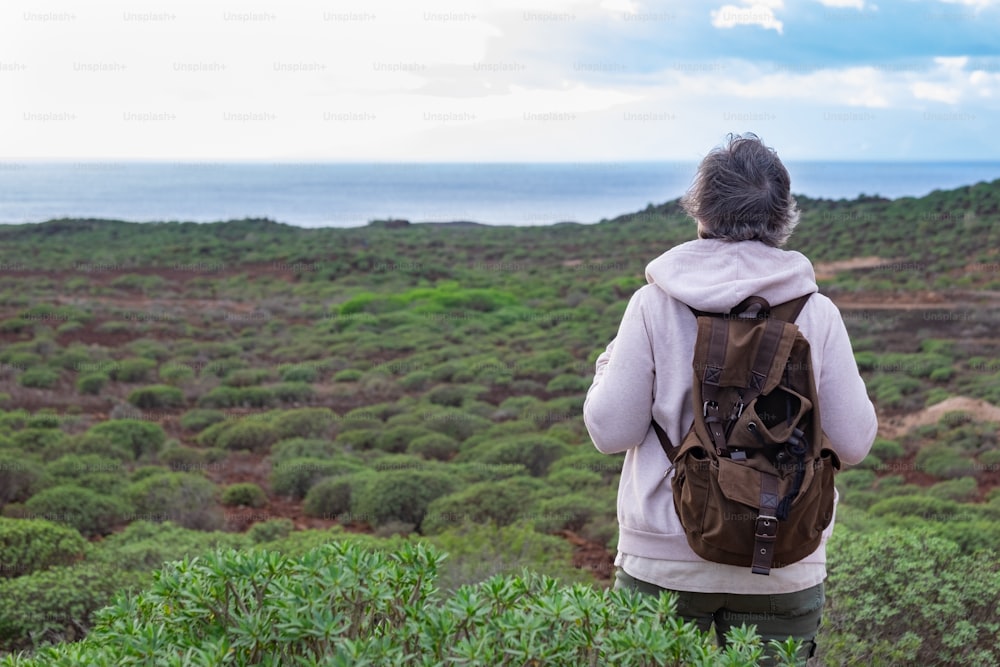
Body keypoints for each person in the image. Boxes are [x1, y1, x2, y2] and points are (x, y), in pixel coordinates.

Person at [583, 132, 877, 663]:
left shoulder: (652, 304)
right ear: (783, 216)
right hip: (784, 557)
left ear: (701, 211)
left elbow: (609, 432)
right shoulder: (817, 311)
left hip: (662, 563)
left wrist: (608, 363)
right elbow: (855, 443)